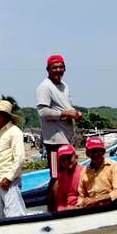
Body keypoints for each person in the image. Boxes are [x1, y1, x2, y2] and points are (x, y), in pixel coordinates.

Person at [35, 54, 83, 210]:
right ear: (48, 69)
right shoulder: (44, 86)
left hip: (67, 140)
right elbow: (43, 112)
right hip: (54, 142)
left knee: (68, 174)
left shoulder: (65, 86)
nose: (58, 70)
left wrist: (75, 113)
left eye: (61, 67)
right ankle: (52, 209)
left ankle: (67, 203)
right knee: (55, 176)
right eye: (55, 67)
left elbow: (66, 106)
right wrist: (65, 114)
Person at [0, 100, 27, 218]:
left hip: (9, 182)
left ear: (5, 115)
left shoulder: (15, 132)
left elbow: (19, 158)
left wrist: (8, 178)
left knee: (14, 215)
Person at [78, 137, 117, 208]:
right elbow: (81, 195)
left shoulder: (114, 166)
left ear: (103, 152)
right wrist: (81, 204)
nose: (96, 154)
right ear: (87, 153)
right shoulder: (84, 172)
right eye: (93, 151)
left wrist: (95, 200)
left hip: (112, 207)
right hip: (92, 210)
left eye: (99, 150)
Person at [52, 144, 83, 212]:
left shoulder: (85, 173)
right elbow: (60, 201)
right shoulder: (61, 177)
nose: (66, 161)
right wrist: (63, 209)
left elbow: (91, 198)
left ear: (76, 157)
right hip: (67, 213)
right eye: (63, 159)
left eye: (69, 157)